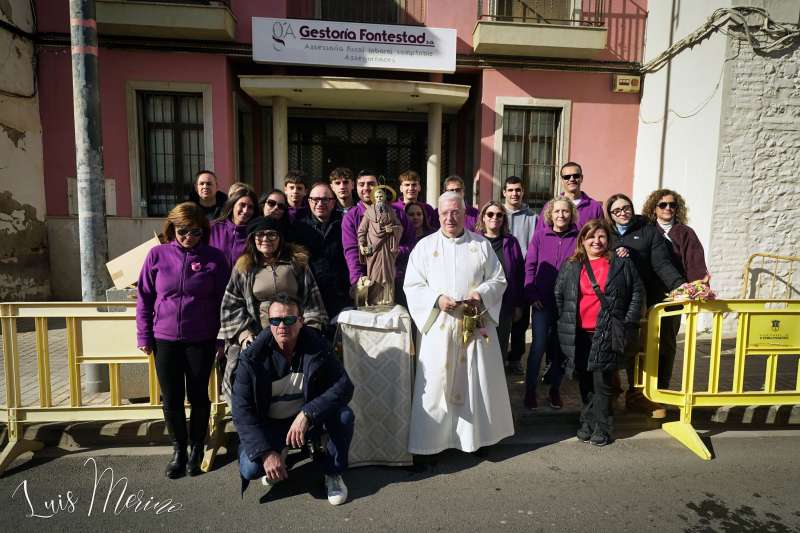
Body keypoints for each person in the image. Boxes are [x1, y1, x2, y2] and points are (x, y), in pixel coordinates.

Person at [403, 191, 514, 454]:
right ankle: (431, 446)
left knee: (476, 382)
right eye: (444, 213)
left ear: (465, 214)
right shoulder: (424, 247)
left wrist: (481, 294)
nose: (450, 218)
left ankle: (478, 440)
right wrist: (436, 299)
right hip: (439, 327)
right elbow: (412, 284)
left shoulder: (481, 245)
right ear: (437, 215)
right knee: (435, 387)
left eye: (455, 212)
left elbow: (499, 280)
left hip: (473, 326)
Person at [231, 296, 354, 505]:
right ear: (268, 323)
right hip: (270, 424)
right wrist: (266, 453)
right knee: (251, 468)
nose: (282, 326)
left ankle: (333, 473)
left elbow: (344, 386)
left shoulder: (317, 345)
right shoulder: (251, 358)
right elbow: (242, 412)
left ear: (301, 321)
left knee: (344, 416)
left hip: (306, 422)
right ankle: (279, 452)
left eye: (289, 320)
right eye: (275, 321)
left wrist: (308, 413)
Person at [136, 202, 228, 478]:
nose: (189, 237)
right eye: (183, 231)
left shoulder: (215, 258)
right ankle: (179, 449)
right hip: (164, 338)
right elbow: (145, 298)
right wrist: (143, 335)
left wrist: (222, 337)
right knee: (172, 397)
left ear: (204, 231)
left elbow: (225, 301)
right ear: (172, 229)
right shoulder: (157, 255)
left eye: (196, 232)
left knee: (199, 395)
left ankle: (198, 445)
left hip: (201, 338)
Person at [554, 219, 643, 446]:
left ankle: (602, 428)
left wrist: (628, 321)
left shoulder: (621, 263)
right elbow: (560, 295)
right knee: (585, 381)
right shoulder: (572, 265)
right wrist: (566, 318)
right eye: (591, 236)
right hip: (579, 333)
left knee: (602, 382)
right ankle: (588, 423)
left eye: (601, 236)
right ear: (582, 240)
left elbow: (636, 293)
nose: (596, 241)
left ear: (608, 240)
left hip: (606, 331)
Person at [218, 216, 328, 401]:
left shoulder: (297, 263)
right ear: (252, 239)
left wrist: (311, 329)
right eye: (259, 235)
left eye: (271, 235)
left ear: (280, 238)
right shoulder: (244, 267)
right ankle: (246, 411)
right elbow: (231, 305)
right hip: (258, 332)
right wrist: (244, 335)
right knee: (240, 363)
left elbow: (313, 300)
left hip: (294, 329)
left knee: (317, 359)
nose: (265, 239)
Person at [605, 193, 685, 417]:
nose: (623, 213)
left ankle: (638, 396)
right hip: (609, 300)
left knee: (636, 348)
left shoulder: (648, 231)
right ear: (610, 215)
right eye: (617, 210)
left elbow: (662, 264)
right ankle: (609, 394)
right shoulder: (605, 233)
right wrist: (613, 253)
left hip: (639, 300)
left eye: (626, 208)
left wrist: (680, 286)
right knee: (609, 345)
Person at [641, 189, 710, 390]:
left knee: (667, 342)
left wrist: (696, 288)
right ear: (654, 208)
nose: (668, 208)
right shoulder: (647, 230)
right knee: (644, 341)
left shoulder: (685, 233)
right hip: (647, 294)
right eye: (663, 205)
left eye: (672, 205)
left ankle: (661, 386)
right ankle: (641, 389)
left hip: (674, 296)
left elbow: (695, 263)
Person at [523, 197, 579, 410]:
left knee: (559, 349)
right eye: (557, 211)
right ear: (550, 214)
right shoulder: (539, 236)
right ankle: (530, 391)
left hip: (566, 304)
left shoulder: (578, 237)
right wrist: (531, 294)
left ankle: (555, 389)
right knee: (538, 347)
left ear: (571, 213)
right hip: (541, 303)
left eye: (565, 211)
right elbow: (530, 267)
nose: (561, 215)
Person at [342, 170, 415, 304]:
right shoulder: (351, 217)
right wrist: (358, 281)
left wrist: (394, 250)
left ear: (378, 187)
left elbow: (411, 245)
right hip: (368, 278)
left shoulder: (397, 213)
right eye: (361, 184)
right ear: (356, 187)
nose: (366, 188)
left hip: (396, 279)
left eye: (370, 184)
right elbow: (352, 251)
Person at [474, 201, 524, 371]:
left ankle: (498, 383)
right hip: (479, 304)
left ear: (503, 219)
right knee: (480, 343)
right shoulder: (475, 241)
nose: (494, 218)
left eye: (499, 215)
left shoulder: (511, 242)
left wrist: (518, 304)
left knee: (501, 343)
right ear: (483, 217)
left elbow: (518, 274)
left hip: (505, 303)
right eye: (490, 214)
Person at [297, 182, 351, 324]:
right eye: (315, 199)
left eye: (325, 199)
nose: (320, 203)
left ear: (333, 202)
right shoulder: (298, 228)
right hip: (311, 299)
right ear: (309, 202)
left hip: (342, 296)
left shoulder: (345, 224)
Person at [502, 176, 538, 375]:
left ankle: (515, 358)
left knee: (520, 319)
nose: (514, 193)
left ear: (523, 192)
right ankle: (497, 354)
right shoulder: (496, 213)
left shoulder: (533, 217)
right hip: (501, 273)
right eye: (510, 190)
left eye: (518, 190)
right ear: (504, 193)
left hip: (523, 274)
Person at [357, 186, 404, 306]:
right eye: (377, 196)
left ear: (384, 198)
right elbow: (362, 230)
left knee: (388, 275)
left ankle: (387, 300)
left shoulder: (391, 212)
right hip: (374, 250)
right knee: (374, 275)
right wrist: (362, 245)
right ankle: (373, 301)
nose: (379, 198)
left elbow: (399, 227)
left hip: (387, 249)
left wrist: (392, 229)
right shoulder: (368, 213)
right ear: (373, 198)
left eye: (381, 196)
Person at [536, 162, 604, 231]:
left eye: (576, 176)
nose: (571, 179)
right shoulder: (550, 206)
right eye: (567, 177)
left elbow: (602, 233)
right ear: (562, 180)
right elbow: (540, 235)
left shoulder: (595, 207)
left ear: (581, 178)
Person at [209, 186, 258, 271]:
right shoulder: (213, 228)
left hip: (243, 283)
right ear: (232, 205)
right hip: (215, 282)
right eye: (242, 205)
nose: (245, 210)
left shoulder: (255, 233)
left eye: (250, 207)